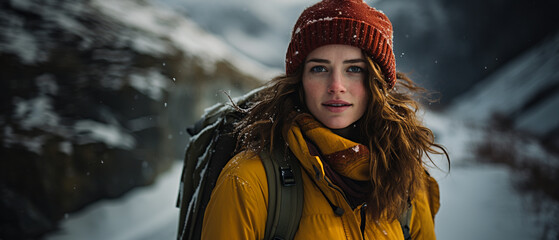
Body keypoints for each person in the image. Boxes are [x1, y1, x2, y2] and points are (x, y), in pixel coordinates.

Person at [201, 0, 449, 239]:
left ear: (378, 81)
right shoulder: (248, 181)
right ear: (299, 81)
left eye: (354, 69)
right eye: (319, 68)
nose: (336, 86)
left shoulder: (406, 179)